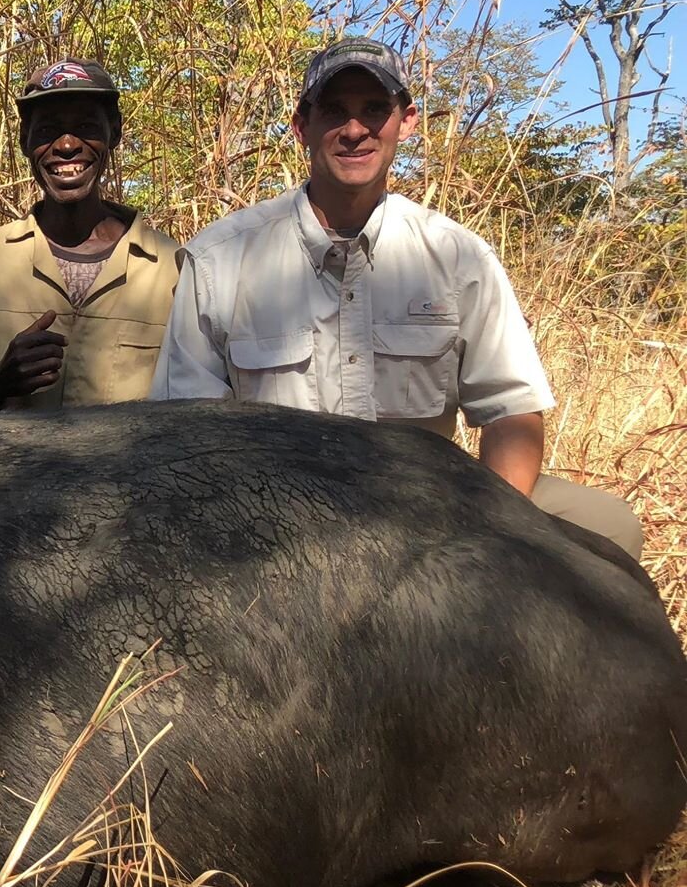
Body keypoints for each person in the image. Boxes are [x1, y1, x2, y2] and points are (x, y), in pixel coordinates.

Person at [151, 35, 644, 559]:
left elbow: (511, 412)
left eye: (375, 110)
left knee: (609, 527)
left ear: (406, 121)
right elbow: (186, 433)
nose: (355, 130)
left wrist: (489, 534)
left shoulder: (458, 258)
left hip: (429, 508)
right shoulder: (220, 257)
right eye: (334, 111)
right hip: (279, 514)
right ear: (302, 126)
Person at [0, 60, 178, 408]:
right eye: (47, 130)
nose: (66, 145)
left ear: (115, 132)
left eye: (85, 126)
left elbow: (196, 406)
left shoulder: (171, 269)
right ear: (24, 142)